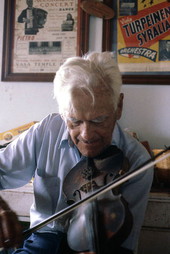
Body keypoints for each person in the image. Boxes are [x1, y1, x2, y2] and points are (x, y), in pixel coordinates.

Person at [0, 52, 153, 254]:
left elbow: (125, 246)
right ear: (63, 113)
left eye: (98, 120)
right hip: (41, 243)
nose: (86, 134)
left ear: (119, 107)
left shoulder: (137, 160)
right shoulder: (47, 130)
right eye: (75, 121)